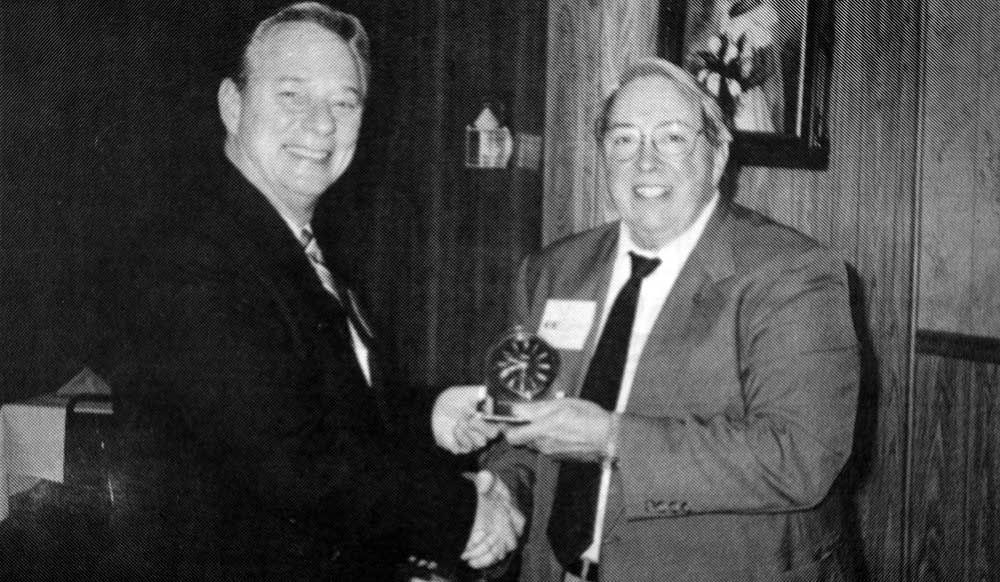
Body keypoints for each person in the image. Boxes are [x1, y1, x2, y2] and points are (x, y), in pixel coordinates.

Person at [108, 3, 521, 580]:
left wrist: (429, 413)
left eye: (344, 102)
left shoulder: (305, 246)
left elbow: (328, 411)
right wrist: (459, 512)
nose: (322, 124)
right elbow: (289, 462)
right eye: (292, 96)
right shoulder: (191, 256)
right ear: (233, 105)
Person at [435, 57, 859, 581]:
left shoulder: (791, 274)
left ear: (719, 154)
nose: (645, 162)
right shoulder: (551, 273)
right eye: (624, 140)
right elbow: (524, 427)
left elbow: (800, 456)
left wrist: (612, 439)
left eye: (673, 138)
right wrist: (505, 494)